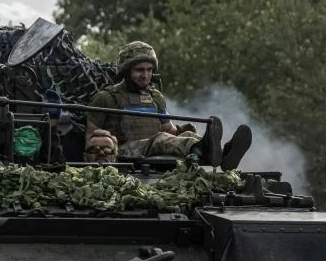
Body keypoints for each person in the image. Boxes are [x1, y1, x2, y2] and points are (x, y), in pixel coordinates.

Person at [85, 41, 252, 170]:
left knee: (187, 135)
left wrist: (181, 131)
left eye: (149, 70)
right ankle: (203, 149)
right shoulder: (106, 98)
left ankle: (222, 155)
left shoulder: (155, 97)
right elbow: (90, 140)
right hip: (121, 152)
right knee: (160, 140)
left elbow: (169, 131)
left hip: (151, 148)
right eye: (139, 70)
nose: (145, 75)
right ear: (126, 71)